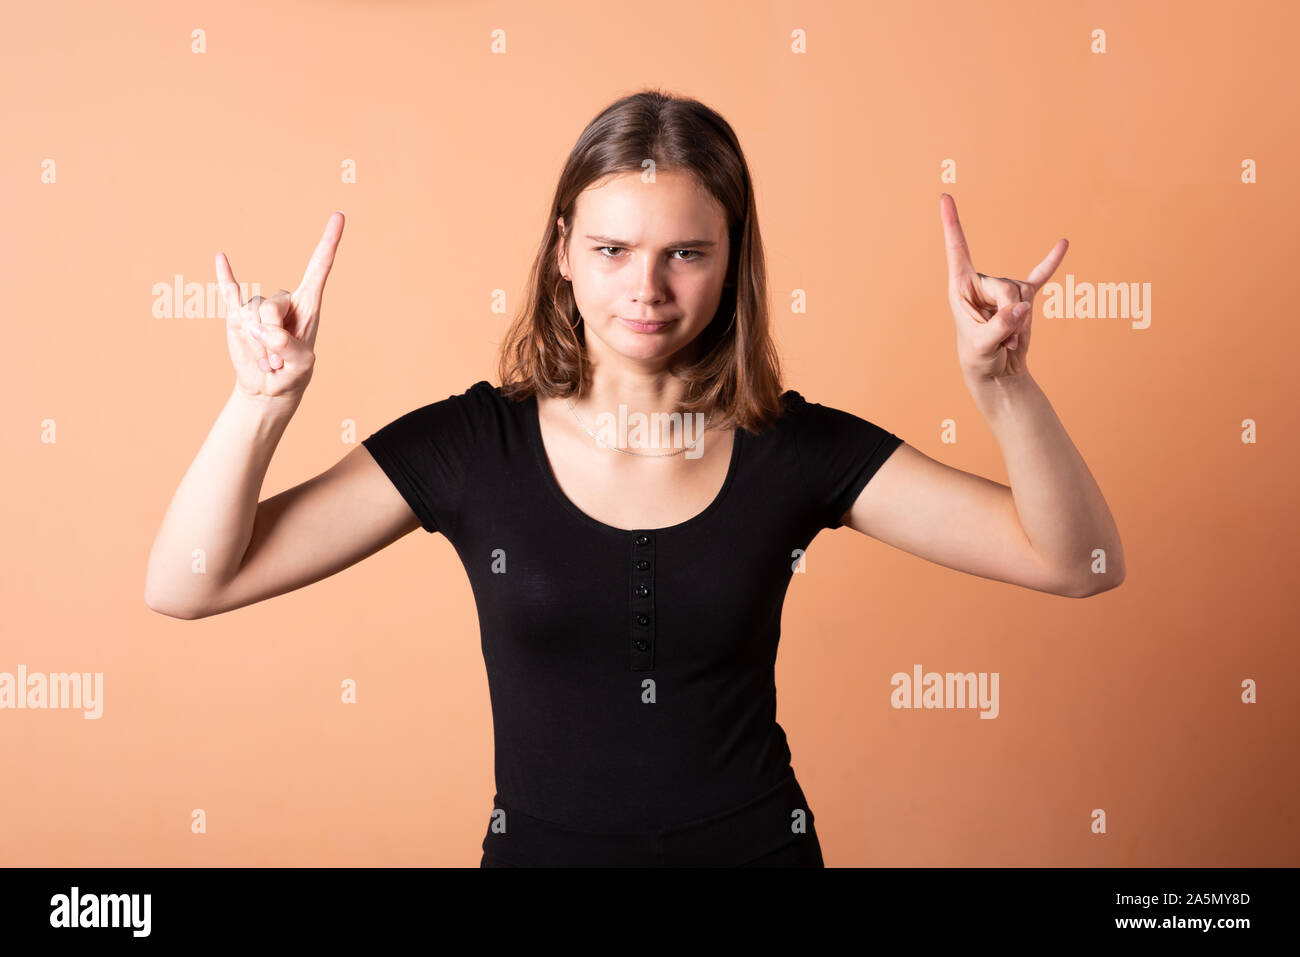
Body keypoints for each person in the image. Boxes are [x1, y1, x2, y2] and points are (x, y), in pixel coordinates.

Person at [144, 89, 1125, 868]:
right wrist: (261, 405)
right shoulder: (471, 448)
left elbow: (1077, 561)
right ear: (563, 252)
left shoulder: (791, 447)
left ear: (730, 257)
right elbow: (189, 583)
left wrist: (1001, 385)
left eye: (685, 254)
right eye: (611, 250)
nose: (645, 291)